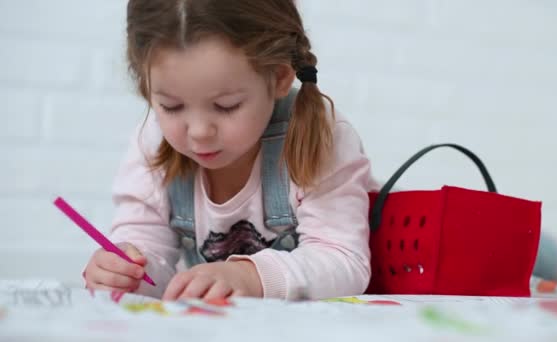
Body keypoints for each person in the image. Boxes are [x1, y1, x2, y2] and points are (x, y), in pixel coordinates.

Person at [83, 0, 375, 301]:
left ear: (279, 78)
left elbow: (343, 261)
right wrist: (126, 272)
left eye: (226, 106)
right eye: (171, 107)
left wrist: (249, 276)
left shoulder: (320, 135)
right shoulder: (152, 144)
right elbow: (148, 255)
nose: (199, 132)